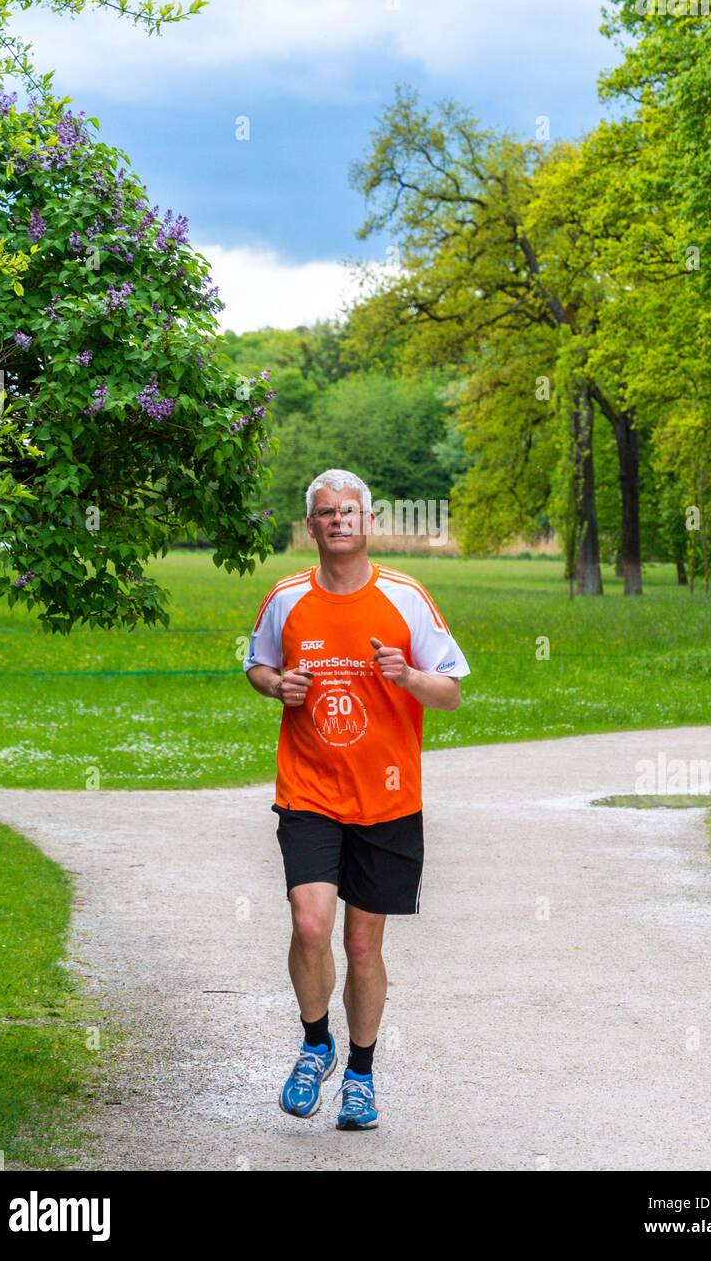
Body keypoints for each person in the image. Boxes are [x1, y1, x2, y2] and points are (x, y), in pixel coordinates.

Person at [244, 468, 470, 1130]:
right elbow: (258, 665)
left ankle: (362, 1078)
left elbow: (451, 691)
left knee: (365, 948)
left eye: (349, 511)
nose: (338, 521)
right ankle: (316, 1044)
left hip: (388, 801)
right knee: (310, 925)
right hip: (309, 789)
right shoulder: (286, 598)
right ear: (311, 527)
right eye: (325, 513)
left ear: (367, 522)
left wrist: (409, 676)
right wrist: (275, 684)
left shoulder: (405, 597)